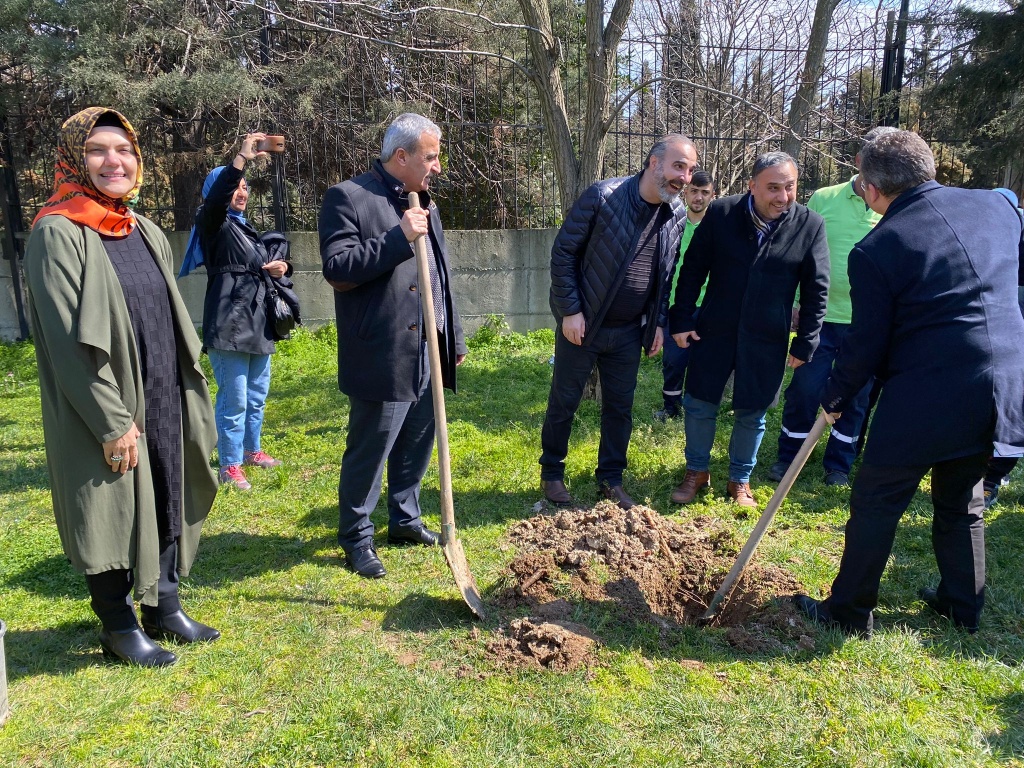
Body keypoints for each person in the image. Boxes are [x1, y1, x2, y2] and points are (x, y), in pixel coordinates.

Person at [793, 131, 1024, 635]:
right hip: (1003, 383)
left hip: (929, 392)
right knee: (963, 501)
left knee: (877, 500)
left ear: (872, 189)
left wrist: (834, 393)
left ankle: (849, 613)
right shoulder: (999, 208)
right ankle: (964, 608)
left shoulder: (879, 247)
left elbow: (866, 344)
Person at [23, 107, 220, 666]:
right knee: (106, 502)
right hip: (102, 399)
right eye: (97, 150)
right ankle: (117, 625)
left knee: (165, 484)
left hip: (160, 386)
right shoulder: (58, 233)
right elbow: (66, 341)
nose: (115, 160)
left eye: (124, 149)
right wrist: (112, 421)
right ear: (73, 159)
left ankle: (164, 605)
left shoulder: (143, 229)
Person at [319, 113, 467, 579]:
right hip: (381, 348)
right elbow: (339, 269)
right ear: (400, 156)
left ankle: (405, 519)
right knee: (373, 445)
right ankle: (356, 537)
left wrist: (452, 334)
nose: (438, 166)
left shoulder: (423, 200)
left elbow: (440, 276)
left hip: (428, 346)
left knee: (418, 438)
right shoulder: (349, 198)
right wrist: (399, 236)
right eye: (431, 156)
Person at [539, 135, 698, 510]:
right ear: (653, 163)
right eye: (679, 166)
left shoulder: (676, 214)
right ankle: (552, 474)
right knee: (565, 400)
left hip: (629, 332)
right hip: (584, 325)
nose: (685, 177)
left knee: (620, 408)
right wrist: (570, 311)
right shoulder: (603, 197)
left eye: (690, 170)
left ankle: (610, 478)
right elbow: (563, 253)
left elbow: (667, 273)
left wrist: (658, 322)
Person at [668, 152, 829, 509]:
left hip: (767, 336)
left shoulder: (809, 225)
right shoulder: (722, 213)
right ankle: (696, 471)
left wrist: (806, 342)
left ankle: (740, 479)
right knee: (698, 402)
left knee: (753, 411)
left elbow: (818, 288)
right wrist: (680, 320)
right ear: (752, 186)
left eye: (789, 187)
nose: (782, 197)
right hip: (714, 328)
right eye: (773, 188)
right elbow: (693, 268)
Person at [768, 127, 897, 487]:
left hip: (867, 325)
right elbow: (798, 250)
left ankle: (839, 464)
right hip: (821, 320)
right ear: (858, 161)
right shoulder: (824, 198)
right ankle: (788, 456)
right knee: (805, 390)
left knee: (855, 398)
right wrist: (796, 302)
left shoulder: (896, 204)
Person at [181, 133, 290, 491]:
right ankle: (229, 464)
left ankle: (251, 451)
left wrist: (280, 268)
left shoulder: (245, 228)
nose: (241, 192)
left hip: (259, 321)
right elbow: (215, 202)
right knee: (235, 399)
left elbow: (265, 264)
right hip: (229, 321)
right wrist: (241, 158)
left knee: (257, 396)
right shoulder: (214, 223)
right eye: (234, 187)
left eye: (244, 187)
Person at [656, 169, 716, 422]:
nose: (698, 197)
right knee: (673, 360)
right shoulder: (672, 222)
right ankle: (671, 407)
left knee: (705, 362)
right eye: (694, 191)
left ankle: (700, 408)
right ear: (685, 192)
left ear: (713, 195)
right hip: (675, 305)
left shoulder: (718, 227)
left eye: (705, 192)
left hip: (709, 306)